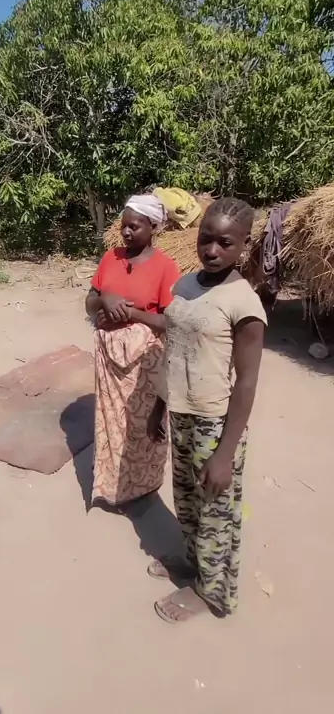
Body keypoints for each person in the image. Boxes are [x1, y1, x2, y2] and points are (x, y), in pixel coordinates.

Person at [147, 197, 266, 622]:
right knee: (186, 500)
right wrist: (159, 406)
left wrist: (224, 454)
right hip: (181, 412)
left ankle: (211, 592)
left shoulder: (244, 303)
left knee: (215, 510)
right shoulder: (184, 286)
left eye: (225, 243)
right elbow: (174, 350)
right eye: (206, 239)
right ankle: (194, 564)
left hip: (214, 424)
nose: (212, 250)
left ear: (244, 244)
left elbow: (246, 383)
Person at [86, 194, 181, 511]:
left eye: (135, 227)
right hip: (109, 358)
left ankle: (143, 486)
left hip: (145, 361)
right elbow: (89, 302)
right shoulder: (110, 258)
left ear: (153, 227)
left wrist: (131, 314)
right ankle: (112, 487)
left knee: (141, 427)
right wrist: (104, 300)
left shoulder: (166, 268)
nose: (126, 232)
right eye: (124, 226)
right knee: (111, 424)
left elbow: (170, 321)